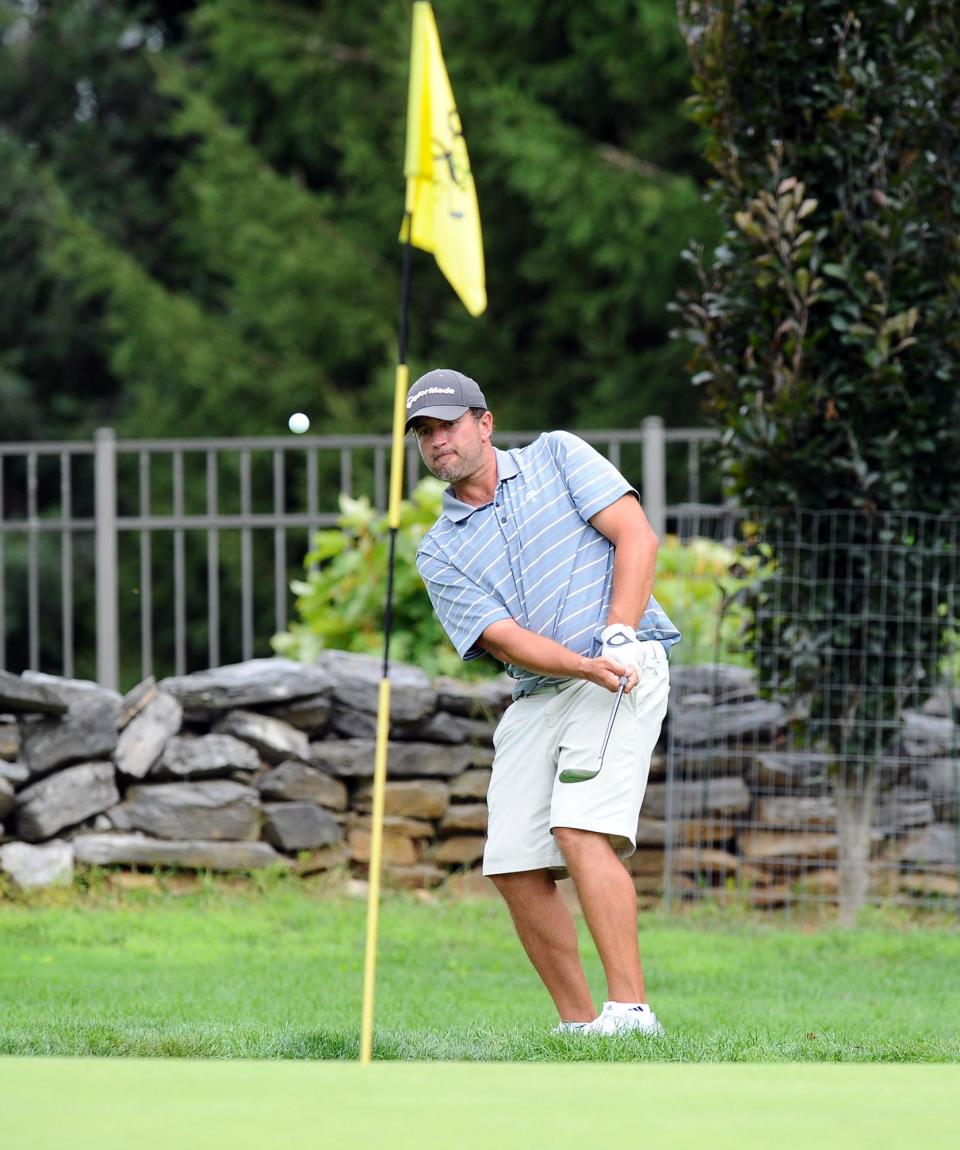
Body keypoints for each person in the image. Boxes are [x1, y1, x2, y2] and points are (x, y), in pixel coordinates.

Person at [407, 367, 681, 1036]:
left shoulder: (558, 455)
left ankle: (632, 1012)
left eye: (448, 424)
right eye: (423, 432)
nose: (437, 440)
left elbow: (636, 536)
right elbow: (503, 640)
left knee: (579, 828)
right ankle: (580, 1028)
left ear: (485, 423)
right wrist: (579, 665)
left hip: (624, 663)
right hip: (545, 690)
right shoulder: (439, 548)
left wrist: (614, 635)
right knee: (511, 862)